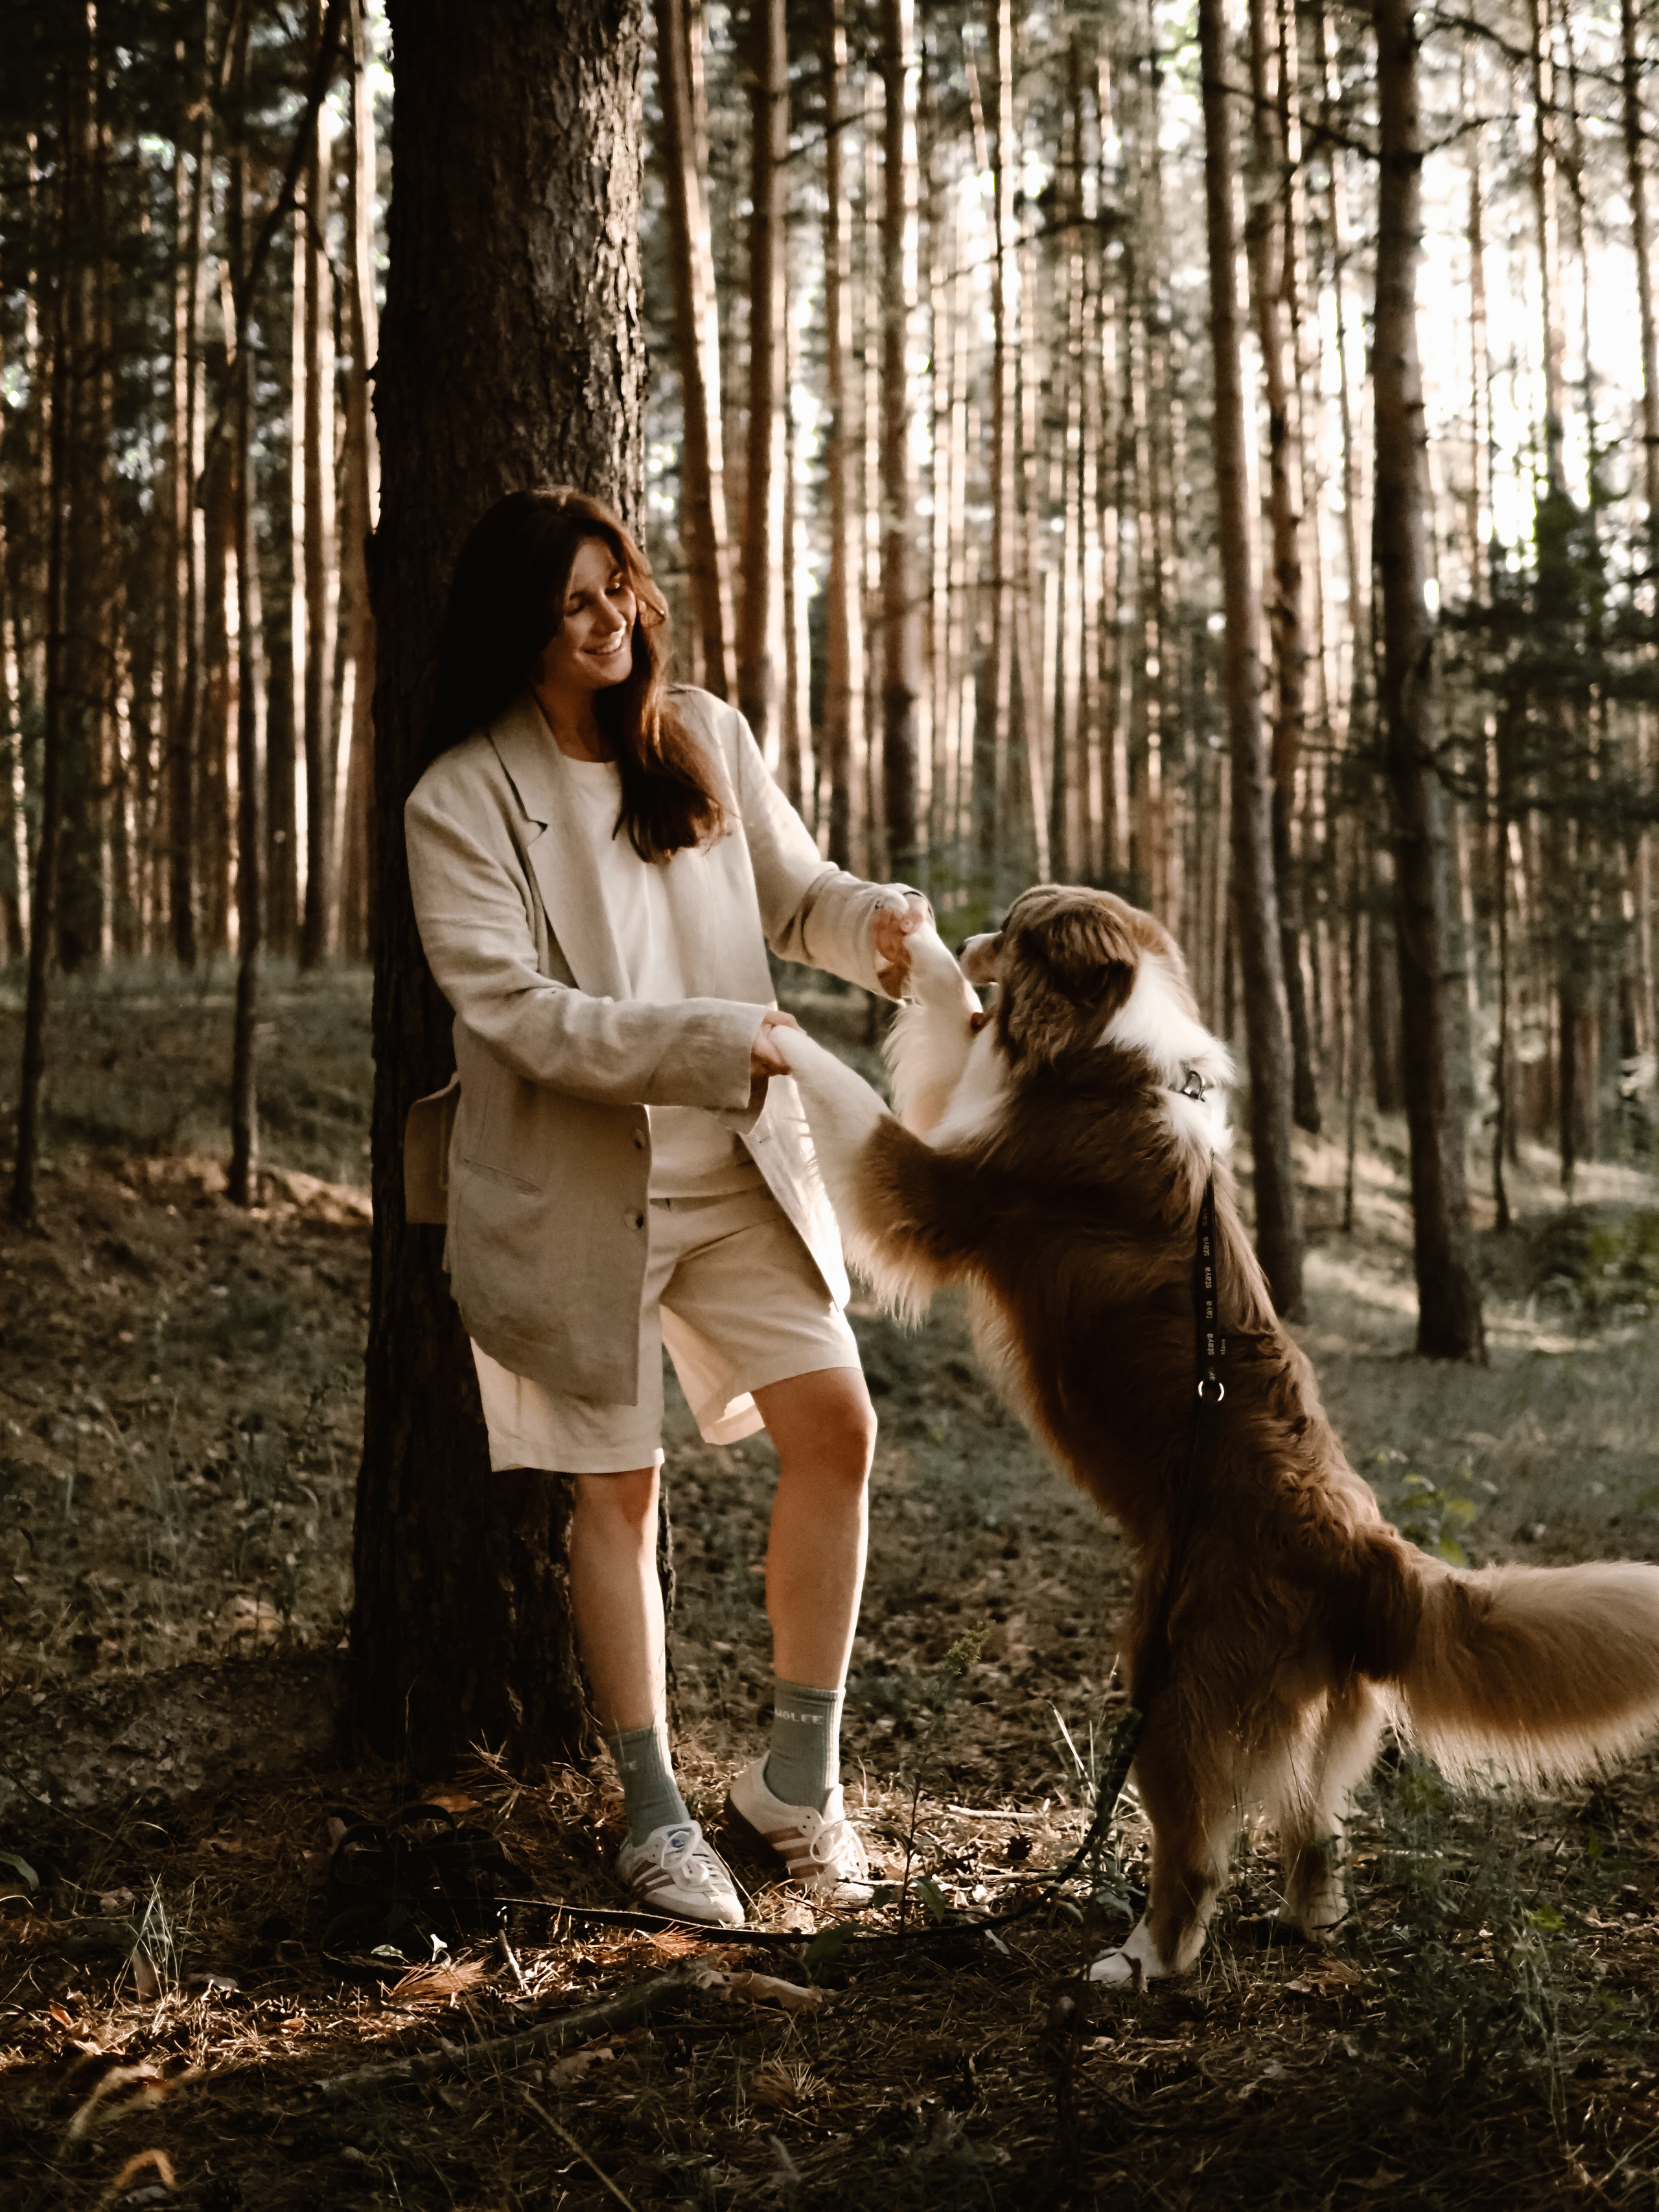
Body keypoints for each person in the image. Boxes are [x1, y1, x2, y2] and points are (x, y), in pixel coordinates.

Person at [404, 485, 925, 1926]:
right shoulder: (458, 801)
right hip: (572, 1195)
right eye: (574, 602)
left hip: (739, 1172)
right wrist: (715, 1038)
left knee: (840, 1429)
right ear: (518, 631)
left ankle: (793, 1787)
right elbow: (518, 1013)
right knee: (614, 1490)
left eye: (618, 585)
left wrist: (874, 921)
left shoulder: (700, 734)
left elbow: (793, 894)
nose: (611, 617)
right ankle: (652, 1816)